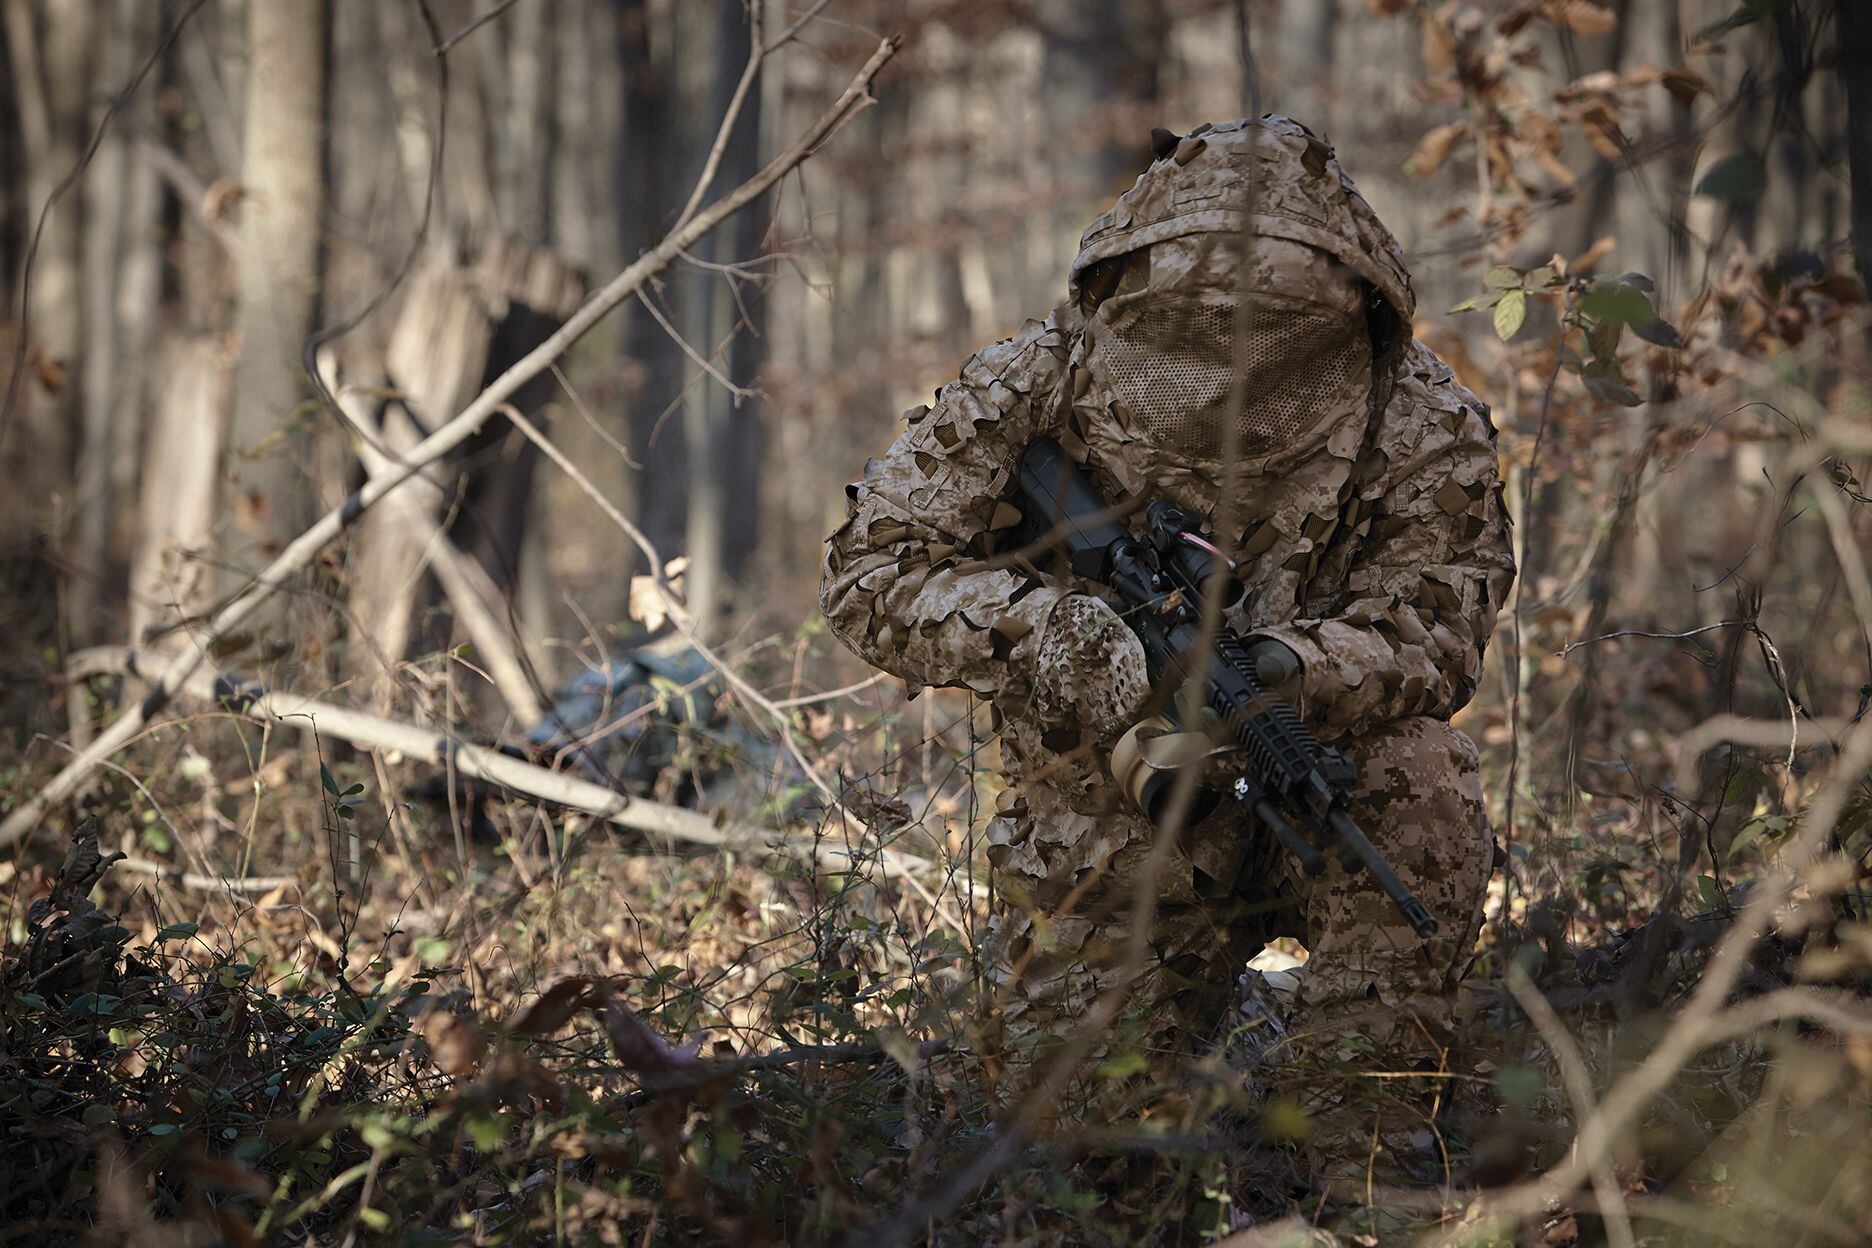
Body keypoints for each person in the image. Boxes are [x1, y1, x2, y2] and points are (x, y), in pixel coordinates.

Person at [820, 116, 1515, 1194]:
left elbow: (1442, 624)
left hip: (1317, 767)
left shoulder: (1419, 415)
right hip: (1098, 808)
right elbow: (872, 575)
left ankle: (1364, 1156)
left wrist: (1294, 668)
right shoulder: (1034, 381)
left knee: (1421, 782)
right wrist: (1044, 628)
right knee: (1078, 1163)